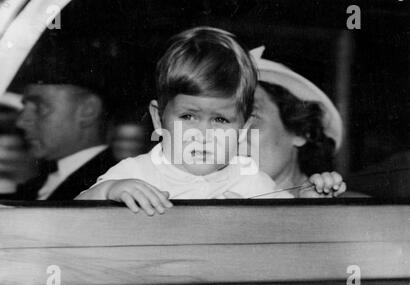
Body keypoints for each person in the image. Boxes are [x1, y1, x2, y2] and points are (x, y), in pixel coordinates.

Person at [77, 27, 346, 214]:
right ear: (159, 118)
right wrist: (110, 190)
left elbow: (292, 227)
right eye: (188, 116)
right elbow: (72, 215)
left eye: (220, 120)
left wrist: (310, 204)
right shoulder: (138, 171)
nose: (203, 134)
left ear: (243, 130)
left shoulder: (250, 179)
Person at [242, 47, 347, 197]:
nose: (234, 135)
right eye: (224, 120)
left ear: (300, 131)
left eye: (250, 117)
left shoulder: (352, 209)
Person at [11, 83, 117, 200]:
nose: (20, 122)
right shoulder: (36, 184)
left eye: (39, 107)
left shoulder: (112, 184)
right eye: (24, 108)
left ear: (88, 110)